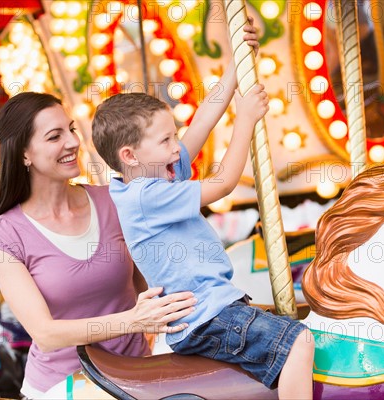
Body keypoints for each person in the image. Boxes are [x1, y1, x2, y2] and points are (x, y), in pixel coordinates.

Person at [91, 22, 315, 400]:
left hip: (213, 309)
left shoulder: (153, 176)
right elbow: (224, 182)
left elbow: (202, 122)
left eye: (173, 136)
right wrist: (244, 118)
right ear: (129, 156)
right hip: (207, 317)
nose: (176, 147)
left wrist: (236, 65)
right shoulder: (145, 197)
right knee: (299, 342)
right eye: (166, 140)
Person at [0, 92, 197, 399]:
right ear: (23, 154)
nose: (72, 141)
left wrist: (231, 88)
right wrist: (134, 320)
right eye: (55, 136)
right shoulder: (6, 233)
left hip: (136, 374)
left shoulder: (112, 200)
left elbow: (178, 157)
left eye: (70, 129)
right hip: (66, 385)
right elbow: (46, 333)